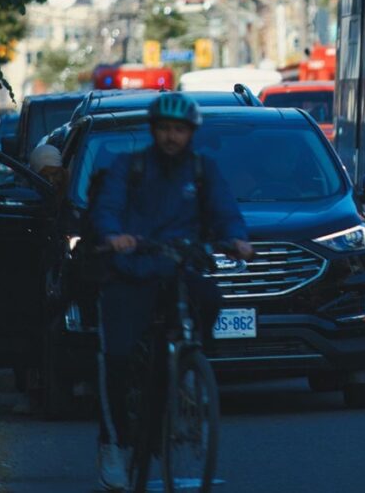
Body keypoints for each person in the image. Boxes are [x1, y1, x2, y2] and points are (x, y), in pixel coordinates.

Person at [88, 93, 253, 490]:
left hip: (179, 267)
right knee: (119, 357)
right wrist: (115, 236)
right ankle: (113, 443)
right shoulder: (130, 167)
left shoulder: (202, 170)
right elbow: (107, 207)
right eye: (164, 128)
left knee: (210, 297)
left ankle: (189, 371)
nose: (171, 136)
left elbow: (224, 210)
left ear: (191, 133)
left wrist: (236, 239)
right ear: (153, 131)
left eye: (178, 129)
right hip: (132, 271)